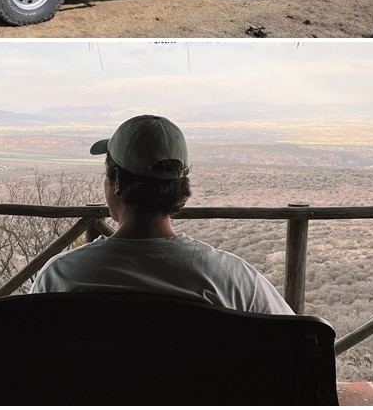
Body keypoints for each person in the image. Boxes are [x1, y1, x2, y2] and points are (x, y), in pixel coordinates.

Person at [31, 114, 294, 316]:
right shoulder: (234, 279)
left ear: (117, 183)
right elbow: (301, 344)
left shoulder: (61, 277)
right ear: (179, 185)